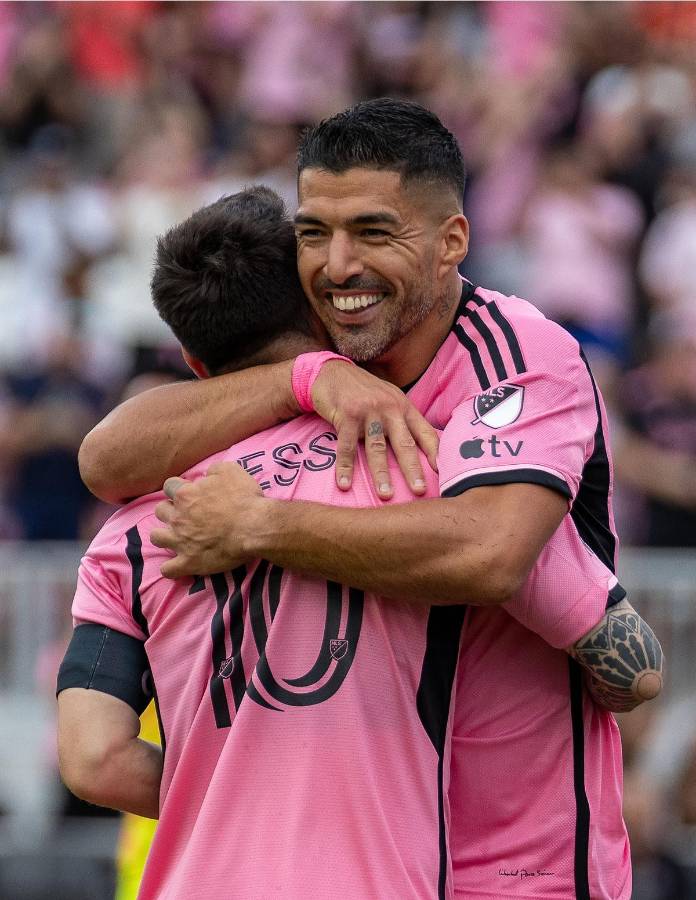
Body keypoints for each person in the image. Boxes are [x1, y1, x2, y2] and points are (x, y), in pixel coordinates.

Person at [74, 102, 662, 898]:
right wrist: (305, 377)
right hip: (385, 865)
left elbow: (489, 553)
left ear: (453, 240)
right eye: (314, 233)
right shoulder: (330, 375)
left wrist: (262, 525)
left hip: (523, 869)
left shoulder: (517, 355)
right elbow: (104, 456)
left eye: (374, 232)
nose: (338, 265)